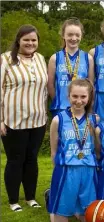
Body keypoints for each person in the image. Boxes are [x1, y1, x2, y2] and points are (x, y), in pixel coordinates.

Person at [0, 24, 48, 212]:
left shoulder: (40, 59)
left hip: (37, 119)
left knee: (31, 159)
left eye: (33, 40)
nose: (30, 43)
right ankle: (13, 201)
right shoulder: (5, 59)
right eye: (26, 39)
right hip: (13, 120)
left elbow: (44, 90)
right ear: (18, 40)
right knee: (15, 160)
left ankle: (30, 198)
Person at [47, 79, 98, 222]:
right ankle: (52, 201)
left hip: (88, 170)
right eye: (75, 96)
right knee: (61, 218)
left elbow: (97, 147)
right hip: (67, 171)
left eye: (83, 97)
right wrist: (58, 169)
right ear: (68, 96)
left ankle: (77, 207)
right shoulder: (58, 120)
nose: (79, 101)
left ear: (89, 98)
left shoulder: (94, 120)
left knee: (89, 218)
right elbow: (54, 150)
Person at [48, 17, 94, 117]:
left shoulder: (88, 58)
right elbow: (50, 85)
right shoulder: (55, 58)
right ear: (63, 35)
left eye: (77, 35)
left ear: (81, 36)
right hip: (60, 108)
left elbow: (90, 85)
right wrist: (58, 100)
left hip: (81, 107)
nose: (73, 38)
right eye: (70, 35)